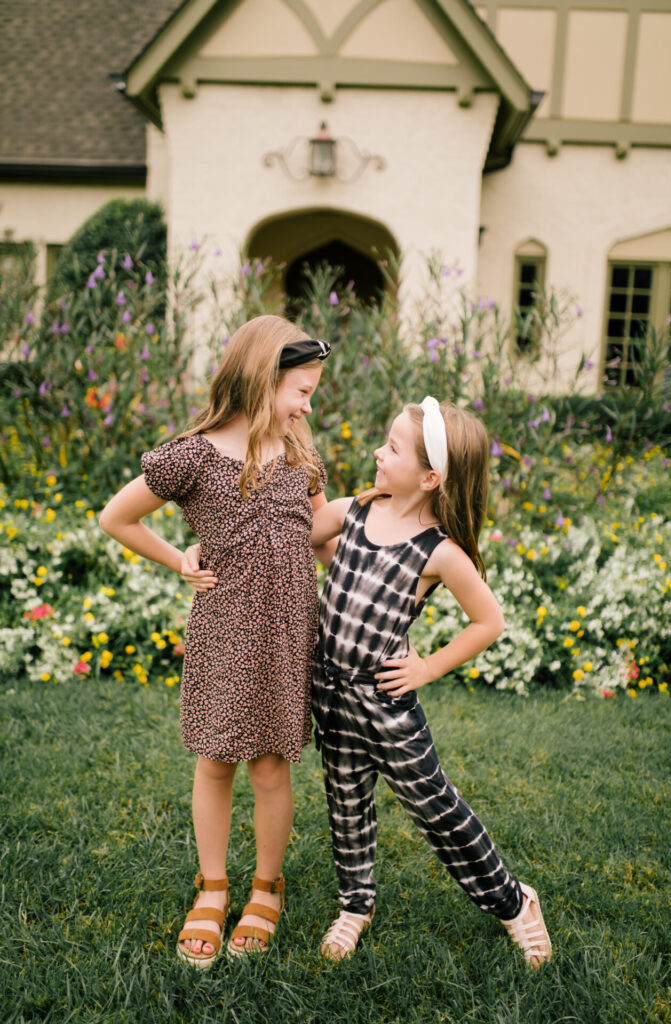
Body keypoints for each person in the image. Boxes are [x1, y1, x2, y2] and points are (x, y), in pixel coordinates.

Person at [99, 314, 331, 967]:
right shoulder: (192, 455)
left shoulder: (299, 452)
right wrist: (178, 560)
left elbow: (317, 534)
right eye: (301, 391)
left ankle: (265, 886)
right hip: (226, 628)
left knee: (270, 763)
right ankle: (212, 885)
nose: (307, 404)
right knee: (216, 759)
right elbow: (117, 516)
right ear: (262, 379)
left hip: (288, 631)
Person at [309, 397, 552, 968]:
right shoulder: (352, 510)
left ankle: (515, 902)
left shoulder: (440, 552)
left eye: (391, 447)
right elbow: (310, 542)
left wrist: (428, 667)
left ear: (430, 476)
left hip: (387, 703)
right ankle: (355, 905)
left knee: (435, 808)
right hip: (333, 694)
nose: (377, 450)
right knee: (346, 801)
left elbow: (488, 621)